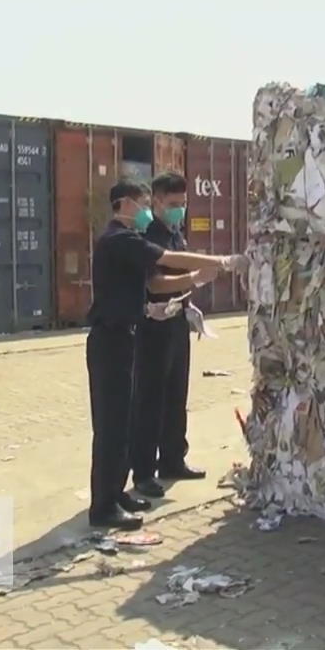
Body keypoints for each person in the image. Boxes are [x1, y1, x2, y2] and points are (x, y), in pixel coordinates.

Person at [86, 179, 241, 530]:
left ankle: (115, 493)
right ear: (125, 204)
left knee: (123, 421)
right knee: (111, 426)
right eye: (141, 203)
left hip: (126, 334)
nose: (144, 210)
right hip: (111, 339)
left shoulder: (131, 239)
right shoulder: (120, 239)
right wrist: (223, 261)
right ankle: (103, 507)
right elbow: (166, 262)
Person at [130, 173, 203, 500]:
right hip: (152, 327)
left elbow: (180, 280)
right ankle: (144, 472)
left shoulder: (176, 235)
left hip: (175, 323)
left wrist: (189, 304)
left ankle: (173, 459)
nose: (179, 210)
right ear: (156, 201)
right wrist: (196, 277)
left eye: (183, 204)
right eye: (173, 205)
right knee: (150, 400)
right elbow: (155, 283)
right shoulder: (148, 237)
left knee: (177, 395)